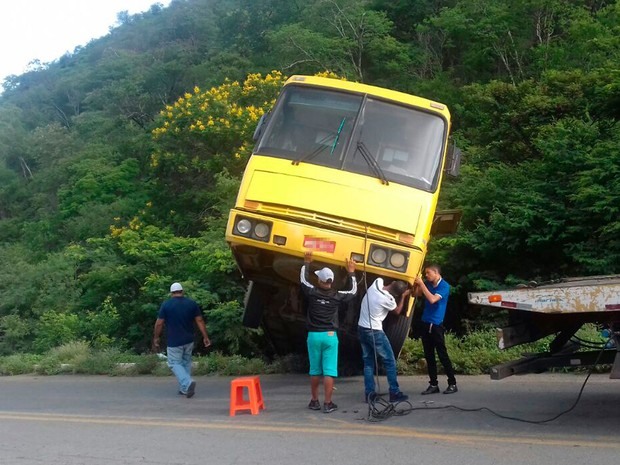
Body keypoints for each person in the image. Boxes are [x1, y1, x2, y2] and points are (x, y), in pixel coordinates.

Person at [300, 251, 357, 413]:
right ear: (331, 281)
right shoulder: (337, 296)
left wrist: (306, 262)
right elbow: (353, 292)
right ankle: (328, 403)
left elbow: (303, 280)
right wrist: (351, 272)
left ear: (319, 280)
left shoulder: (312, 292)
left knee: (315, 370)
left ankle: (314, 401)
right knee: (329, 371)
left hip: (313, 336)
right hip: (330, 336)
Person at [153, 282, 211, 398]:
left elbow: (159, 323)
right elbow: (199, 321)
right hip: (189, 340)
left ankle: (187, 382)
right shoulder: (191, 304)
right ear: (182, 291)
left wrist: (156, 337)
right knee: (185, 363)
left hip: (174, 341)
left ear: (171, 293)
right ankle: (184, 389)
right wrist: (205, 337)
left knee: (174, 363)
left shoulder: (166, 305)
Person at [358, 278, 410, 403]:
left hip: (361, 328)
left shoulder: (376, 283)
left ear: (391, 283)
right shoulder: (388, 300)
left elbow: (383, 280)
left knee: (368, 362)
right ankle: (394, 392)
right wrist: (403, 297)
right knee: (390, 361)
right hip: (375, 331)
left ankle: (369, 394)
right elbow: (397, 311)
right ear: (396, 294)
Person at [414, 264, 457, 395]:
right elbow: (416, 294)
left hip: (436, 324)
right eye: (425, 274)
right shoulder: (427, 284)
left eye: (428, 273)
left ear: (436, 273)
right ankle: (433, 384)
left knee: (442, 354)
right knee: (429, 355)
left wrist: (421, 284)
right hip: (425, 322)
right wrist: (417, 285)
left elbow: (432, 299)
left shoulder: (444, 286)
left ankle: (452, 383)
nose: (426, 275)